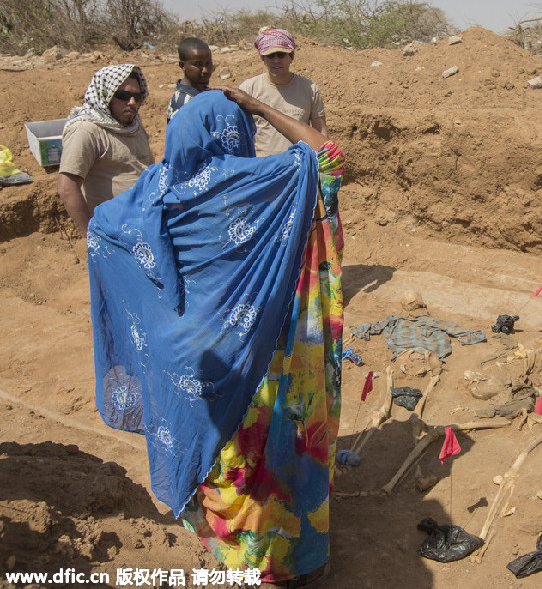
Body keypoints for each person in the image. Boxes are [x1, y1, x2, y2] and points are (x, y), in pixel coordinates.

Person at [87, 89, 345, 588]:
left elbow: (100, 230)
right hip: (253, 347)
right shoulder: (259, 183)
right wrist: (263, 107)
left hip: (187, 356)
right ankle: (281, 562)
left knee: (216, 451)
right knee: (265, 445)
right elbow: (329, 157)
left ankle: (226, 547)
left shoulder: (152, 188)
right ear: (237, 132)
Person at [57, 64, 154, 233]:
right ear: (106, 95)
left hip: (146, 224)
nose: (132, 103)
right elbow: (67, 188)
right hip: (113, 231)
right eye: (123, 96)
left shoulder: (133, 125)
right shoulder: (87, 130)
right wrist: (92, 236)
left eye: (137, 97)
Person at [240, 28, 329, 156]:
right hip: (262, 165)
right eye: (270, 56)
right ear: (263, 58)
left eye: (281, 55)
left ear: (291, 56)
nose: (276, 60)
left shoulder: (309, 89)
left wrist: (324, 160)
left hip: (298, 165)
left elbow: (320, 131)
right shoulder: (249, 89)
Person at [166, 37, 214, 121]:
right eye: (198, 64)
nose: (205, 70)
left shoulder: (202, 90)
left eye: (208, 63)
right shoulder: (184, 103)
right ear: (182, 65)